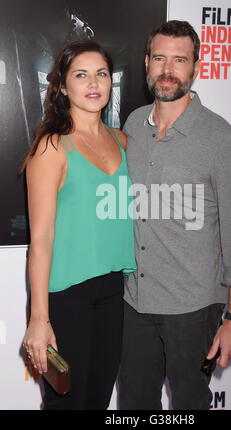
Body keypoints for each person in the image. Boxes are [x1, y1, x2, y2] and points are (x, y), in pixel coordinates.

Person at [117, 20, 231, 410]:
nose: (167, 69)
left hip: (193, 311)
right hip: (135, 304)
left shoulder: (220, 138)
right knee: (133, 406)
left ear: (196, 66)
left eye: (179, 60)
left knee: (189, 407)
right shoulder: (133, 126)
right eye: (159, 58)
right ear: (146, 62)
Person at [21, 40, 136, 410]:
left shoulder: (122, 142)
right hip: (65, 297)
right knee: (66, 404)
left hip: (113, 292)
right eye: (81, 74)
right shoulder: (52, 147)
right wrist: (39, 318)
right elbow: (40, 238)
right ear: (62, 86)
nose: (93, 83)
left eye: (101, 74)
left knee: (98, 401)